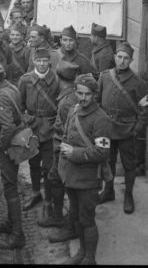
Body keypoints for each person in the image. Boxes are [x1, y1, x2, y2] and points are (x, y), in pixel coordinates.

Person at [56, 74, 112, 265]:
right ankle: (81, 251)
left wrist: (75, 153)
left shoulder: (101, 119)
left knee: (87, 219)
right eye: (79, 93)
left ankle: (90, 258)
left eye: (87, 94)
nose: (83, 97)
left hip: (89, 177)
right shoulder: (73, 110)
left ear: (94, 94)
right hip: (71, 174)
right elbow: (65, 136)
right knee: (76, 215)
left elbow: (103, 153)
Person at [97, 41, 148, 214]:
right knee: (107, 161)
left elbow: (146, 110)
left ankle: (128, 195)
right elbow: (97, 102)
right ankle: (108, 190)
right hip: (107, 129)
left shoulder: (138, 83)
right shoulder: (105, 76)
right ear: (115, 58)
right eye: (119, 57)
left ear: (131, 60)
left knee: (129, 165)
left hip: (127, 131)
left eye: (126, 58)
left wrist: (137, 129)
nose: (122, 61)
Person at [0, 58, 26, 249]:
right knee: (11, 186)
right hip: (15, 142)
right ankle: (10, 224)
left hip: (8, 146)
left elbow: (8, 127)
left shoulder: (0, 95)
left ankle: (17, 234)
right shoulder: (12, 88)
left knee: (10, 188)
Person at [18, 47, 60, 213]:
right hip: (32, 128)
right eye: (39, 60)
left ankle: (48, 201)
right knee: (33, 163)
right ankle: (36, 193)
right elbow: (19, 105)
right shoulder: (25, 80)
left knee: (49, 166)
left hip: (50, 129)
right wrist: (25, 119)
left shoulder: (57, 80)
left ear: (49, 61)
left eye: (45, 61)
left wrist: (56, 123)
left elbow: (62, 106)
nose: (42, 64)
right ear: (33, 61)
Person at [46, 61, 81, 240]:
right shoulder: (69, 95)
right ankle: (58, 216)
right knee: (54, 179)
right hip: (60, 145)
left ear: (59, 79)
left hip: (65, 148)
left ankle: (71, 227)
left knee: (69, 188)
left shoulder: (68, 101)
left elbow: (72, 130)